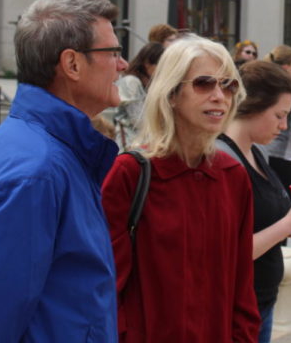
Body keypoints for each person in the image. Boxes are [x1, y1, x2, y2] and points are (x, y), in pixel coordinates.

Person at [0, 0, 128, 342]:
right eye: (113, 52)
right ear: (72, 64)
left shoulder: (46, 151)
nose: (123, 64)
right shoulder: (37, 173)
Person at [101, 35, 260, 342]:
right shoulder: (130, 173)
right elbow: (106, 286)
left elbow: (242, 288)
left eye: (228, 86)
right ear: (171, 93)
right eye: (204, 83)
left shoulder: (233, 178)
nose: (219, 96)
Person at [217, 60, 291, 342]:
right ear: (252, 106)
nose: (284, 126)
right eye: (278, 115)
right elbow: (230, 252)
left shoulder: (254, 153)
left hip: (258, 301)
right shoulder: (225, 160)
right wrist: (289, 224)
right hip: (237, 308)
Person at [262, 45, 291, 197]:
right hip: (284, 152)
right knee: (286, 201)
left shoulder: (262, 84)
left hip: (261, 149)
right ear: (286, 67)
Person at [114, 41, 164, 149]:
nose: (163, 70)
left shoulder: (150, 85)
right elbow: (138, 120)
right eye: (160, 64)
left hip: (144, 147)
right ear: (147, 63)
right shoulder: (131, 82)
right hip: (130, 146)